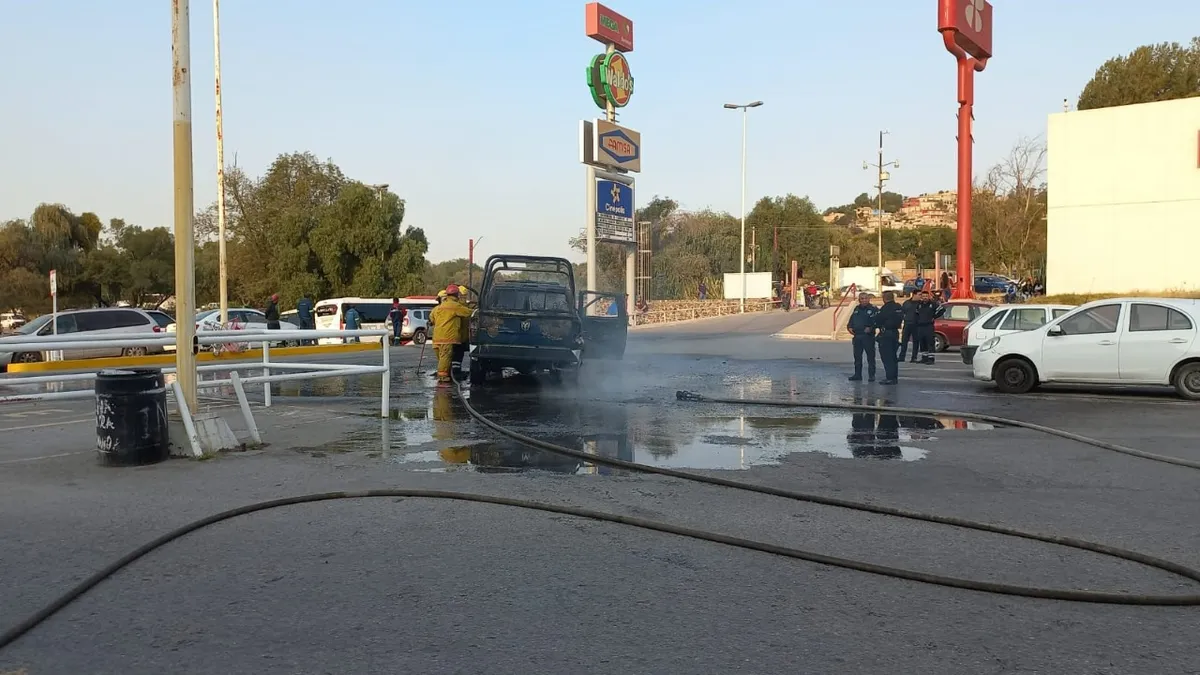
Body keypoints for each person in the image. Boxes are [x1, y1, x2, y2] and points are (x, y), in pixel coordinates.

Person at [428, 284, 472, 384]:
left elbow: (431, 318)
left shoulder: (439, 307)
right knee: (445, 358)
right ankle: (443, 378)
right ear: (456, 294)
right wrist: (478, 311)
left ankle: (446, 374)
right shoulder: (455, 306)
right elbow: (468, 313)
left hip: (436, 338)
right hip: (447, 338)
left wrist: (430, 321)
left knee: (443, 359)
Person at [846, 292, 878, 382]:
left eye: (865, 298)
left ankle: (871, 375)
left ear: (869, 299)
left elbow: (877, 321)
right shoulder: (856, 309)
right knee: (857, 357)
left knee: (870, 357)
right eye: (862, 299)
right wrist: (849, 327)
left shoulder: (873, 309)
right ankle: (857, 375)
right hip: (857, 336)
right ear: (859, 300)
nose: (864, 300)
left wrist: (871, 328)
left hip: (868, 337)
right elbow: (851, 320)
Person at [875, 291, 903, 385]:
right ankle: (894, 377)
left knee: (887, 357)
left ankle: (890, 378)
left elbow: (878, 320)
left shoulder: (885, 308)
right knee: (893, 357)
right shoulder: (898, 307)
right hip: (895, 333)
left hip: (886, 333)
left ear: (884, 298)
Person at [914, 291, 939, 364]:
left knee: (930, 342)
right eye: (923, 296)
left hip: (929, 326)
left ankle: (931, 359)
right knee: (922, 342)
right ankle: (924, 358)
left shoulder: (933, 304)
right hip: (921, 326)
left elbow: (941, 310)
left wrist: (934, 317)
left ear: (929, 297)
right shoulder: (919, 305)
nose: (925, 297)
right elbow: (916, 314)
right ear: (921, 297)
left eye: (926, 296)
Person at [898, 291, 919, 363]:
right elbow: (901, 313)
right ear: (914, 295)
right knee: (904, 341)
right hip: (907, 324)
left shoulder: (920, 304)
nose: (920, 296)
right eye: (919, 295)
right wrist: (900, 323)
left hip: (916, 325)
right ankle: (902, 357)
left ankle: (914, 357)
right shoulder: (906, 303)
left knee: (916, 341)